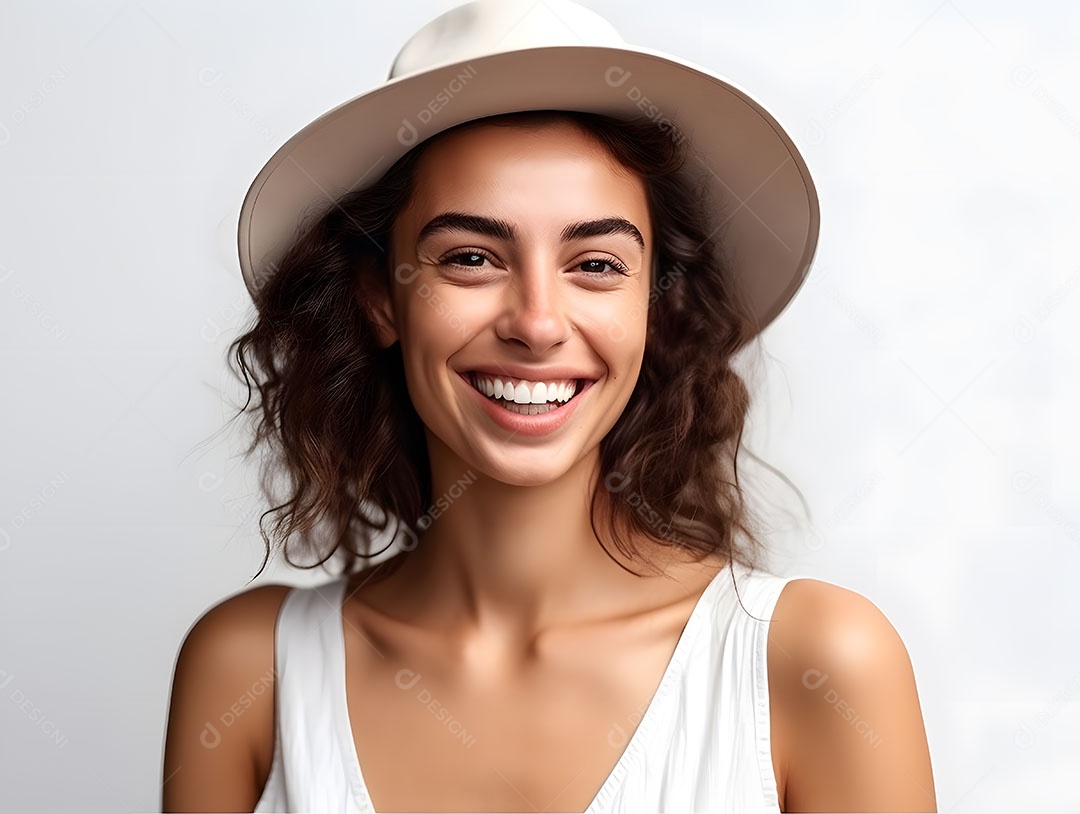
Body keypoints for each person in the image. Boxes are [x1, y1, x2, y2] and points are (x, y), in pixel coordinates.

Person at [162, 2, 936, 812]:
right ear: (379, 300)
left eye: (596, 264)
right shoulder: (248, 671)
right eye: (470, 258)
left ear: (656, 308)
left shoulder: (815, 663)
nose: (536, 322)